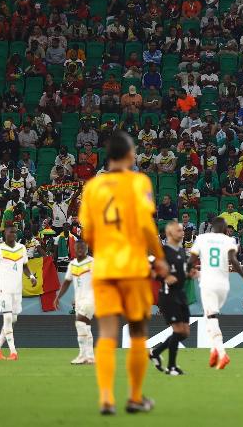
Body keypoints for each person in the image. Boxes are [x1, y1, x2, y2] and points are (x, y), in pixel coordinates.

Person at [78, 131, 168, 415]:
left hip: (104, 268)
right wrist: (160, 258)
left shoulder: (92, 187)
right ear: (130, 155)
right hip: (133, 267)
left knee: (106, 333)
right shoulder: (139, 182)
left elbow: (88, 233)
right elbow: (145, 225)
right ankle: (135, 397)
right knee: (139, 331)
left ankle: (106, 398)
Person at [189, 216, 243, 370]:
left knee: (210, 318)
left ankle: (222, 353)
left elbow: (191, 261)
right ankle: (213, 351)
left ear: (211, 227)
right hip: (223, 286)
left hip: (208, 283)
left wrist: (183, 274)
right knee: (210, 316)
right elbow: (234, 261)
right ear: (224, 229)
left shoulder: (201, 239)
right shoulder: (229, 240)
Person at [149, 221, 194, 376]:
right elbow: (152, 270)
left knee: (185, 332)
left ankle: (155, 352)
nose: (182, 233)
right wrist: (165, 276)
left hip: (181, 295)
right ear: (169, 233)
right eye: (178, 230)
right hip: (168, 296)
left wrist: (190, 274)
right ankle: (171, 366)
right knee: (178, 330)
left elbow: (182, 272)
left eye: (182, 230)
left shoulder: (181, 251)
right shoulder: (163, 252)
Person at [0, 224, 36, 361]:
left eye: (15, 232)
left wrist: (31, 276)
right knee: (8, 318)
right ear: (5, 234)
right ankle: (13, 352)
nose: (13, 234)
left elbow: (25, 265)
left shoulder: (22, 248)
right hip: (4, 289)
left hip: (17, 289)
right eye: (10, 232)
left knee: (13, 319)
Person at [54, 240, 96, 365]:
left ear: (86, 249)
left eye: (82, 248)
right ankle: (90, 356)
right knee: (86, 327)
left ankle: (83, 355)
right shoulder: (72, 265)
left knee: (80, 323)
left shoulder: (92, 263)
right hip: (79, 300)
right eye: (78, 248)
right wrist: (58, 297)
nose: (80, 250)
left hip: (90, 298)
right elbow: (67, 282)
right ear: (74, 249)